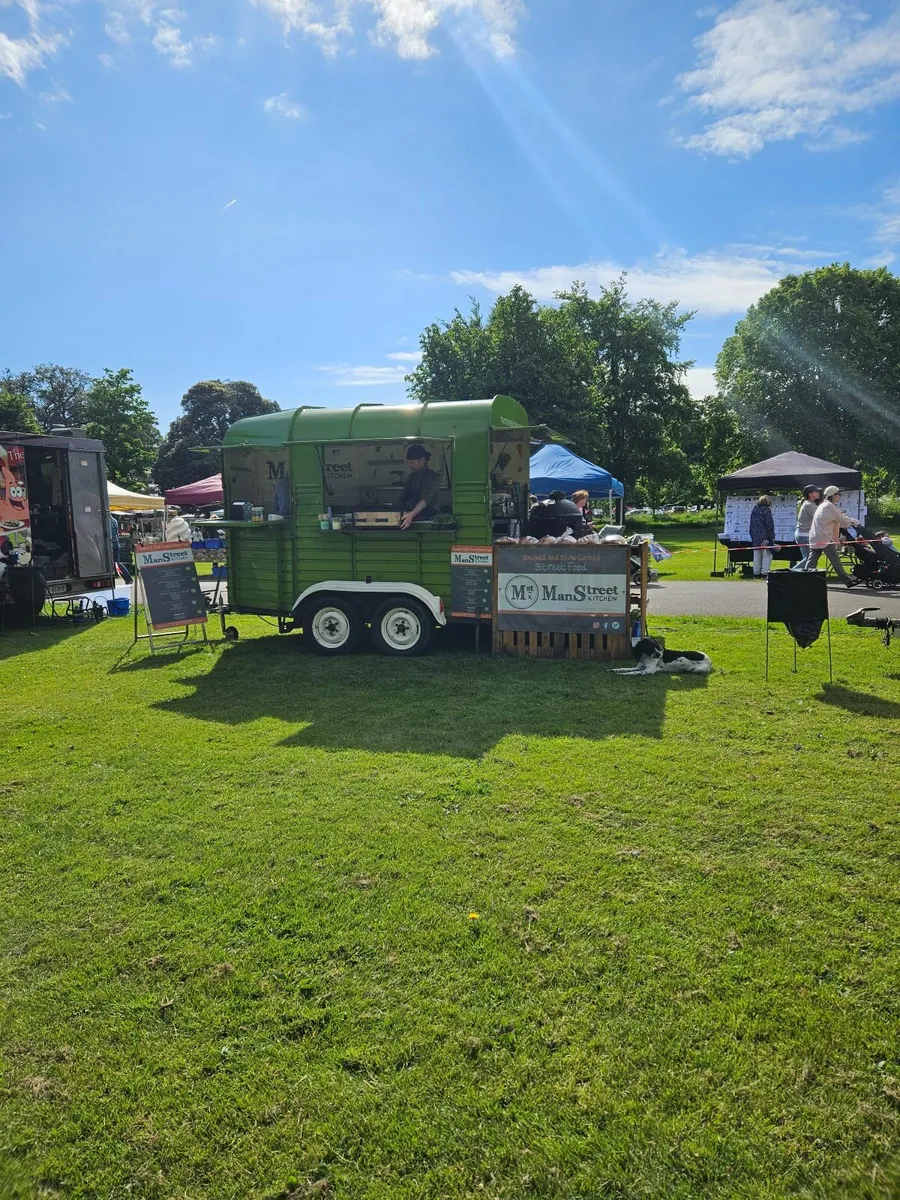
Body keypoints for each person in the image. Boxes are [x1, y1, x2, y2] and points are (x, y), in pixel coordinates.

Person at [804, 485, 858, 586]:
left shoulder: (823, 505)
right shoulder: (830, 507)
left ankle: (805, 579)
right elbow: (842, 519)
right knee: (835, 560)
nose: (840, 496)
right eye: (838, 494)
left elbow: (839, 521)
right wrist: (855, 522)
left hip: (816, 536)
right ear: (833, 495)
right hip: (824, 537)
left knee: (812, 560)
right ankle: (848, 581)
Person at [398, 444, 440, 530]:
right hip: (413, 519)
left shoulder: (431, 477)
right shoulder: (411, 477)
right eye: (409, 463)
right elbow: (404, 497)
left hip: (428, 521)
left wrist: (411, 514)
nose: (410, 465)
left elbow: (424, 500)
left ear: (422, 460)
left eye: (412, 463)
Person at [790, 484, 820, 571]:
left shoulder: (808, 504)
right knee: (808, 558)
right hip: (804, 534)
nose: (818, 493)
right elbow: (818, 517)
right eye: (816, 491)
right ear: (810, 494)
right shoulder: (809, 505)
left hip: (802, 534)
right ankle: (790, 573)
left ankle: (802, 576)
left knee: (807, 558)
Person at [749, 494, 776, 578]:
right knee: (767, 555)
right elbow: (769, 524)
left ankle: (756, 572)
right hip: (765, 536)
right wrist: (771, 535)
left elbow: (752, 524)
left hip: (755, 536)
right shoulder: (766, 510)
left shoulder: (754, 510)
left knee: (757, 555)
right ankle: (764, 572)